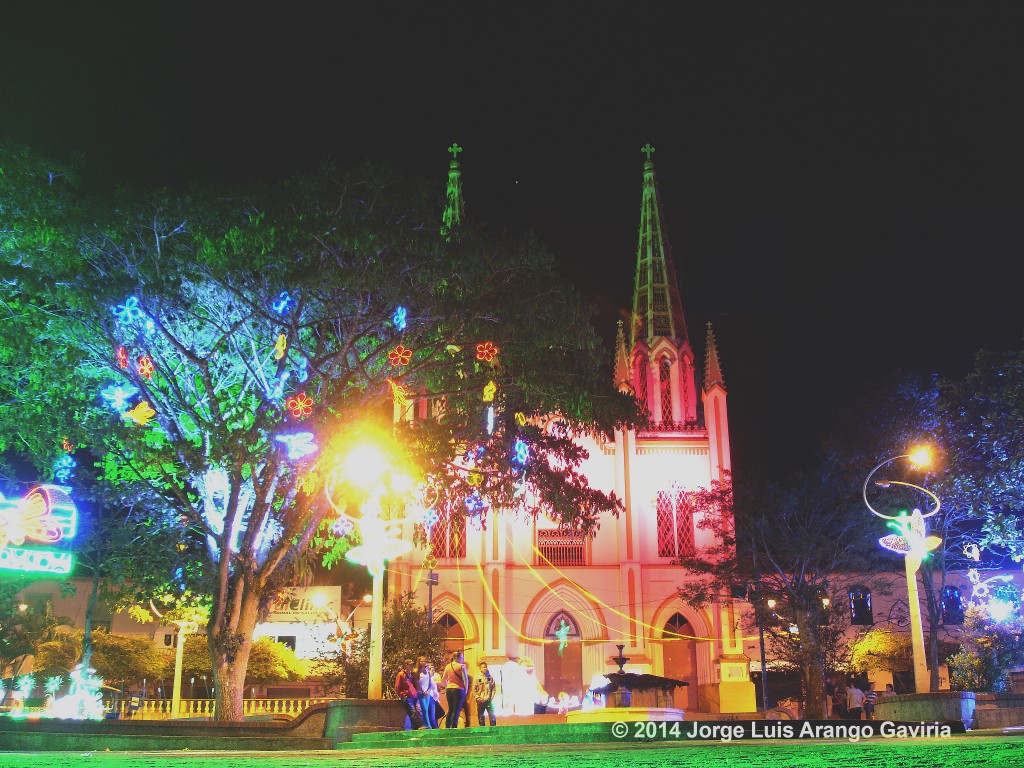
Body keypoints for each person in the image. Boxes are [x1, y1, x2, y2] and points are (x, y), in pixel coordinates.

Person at [441, 650, 468, 728]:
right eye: (462, 658)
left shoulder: (448, 666)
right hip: (459, 690)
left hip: (449, 689)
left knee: (451, 708)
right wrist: (465, 691)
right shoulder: (461, 666)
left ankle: (447, 725)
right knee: (456, 709)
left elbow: (443, 679)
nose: (462, 659)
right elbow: (465, 679)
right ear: (457, 658)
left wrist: (447, 686)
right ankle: (454, 726)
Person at [394, 658, 420, 727]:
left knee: (418, 711)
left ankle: (419, 726)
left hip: (414, 696)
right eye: (410, 665)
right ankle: (416, 727)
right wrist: (403, 695)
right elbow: (397, 687)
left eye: (412, 665)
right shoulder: (401, 675)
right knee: (412, 712)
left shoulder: (412, 675)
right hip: (407, 697)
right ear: (406, 665)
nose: (412, 666)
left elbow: (415, 685)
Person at [417, 658, 438, 729]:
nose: (423, 662)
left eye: (424, 661)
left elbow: (429, 683)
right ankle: (428, 726)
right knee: (424, 710)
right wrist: (422, 691)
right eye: (422, 661)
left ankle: (427, 725)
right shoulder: (417, 671)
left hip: (427, 693)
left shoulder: (427, 672)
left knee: (428, 711)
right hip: (421, 693)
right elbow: (416, 683)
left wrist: (428, 691)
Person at [474, 661, 497, 726]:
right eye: (483, 667)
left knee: (492, 715)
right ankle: (482, 729)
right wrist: (477, 698)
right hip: (480, 700)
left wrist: (491, 697)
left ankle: (493, 729)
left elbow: (493, 688)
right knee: (481, 716)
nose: (485, 668)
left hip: (488, 700)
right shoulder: (477, 677)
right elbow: (474, 689)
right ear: (480, 668)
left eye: (486, 667)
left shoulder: (490, 677)